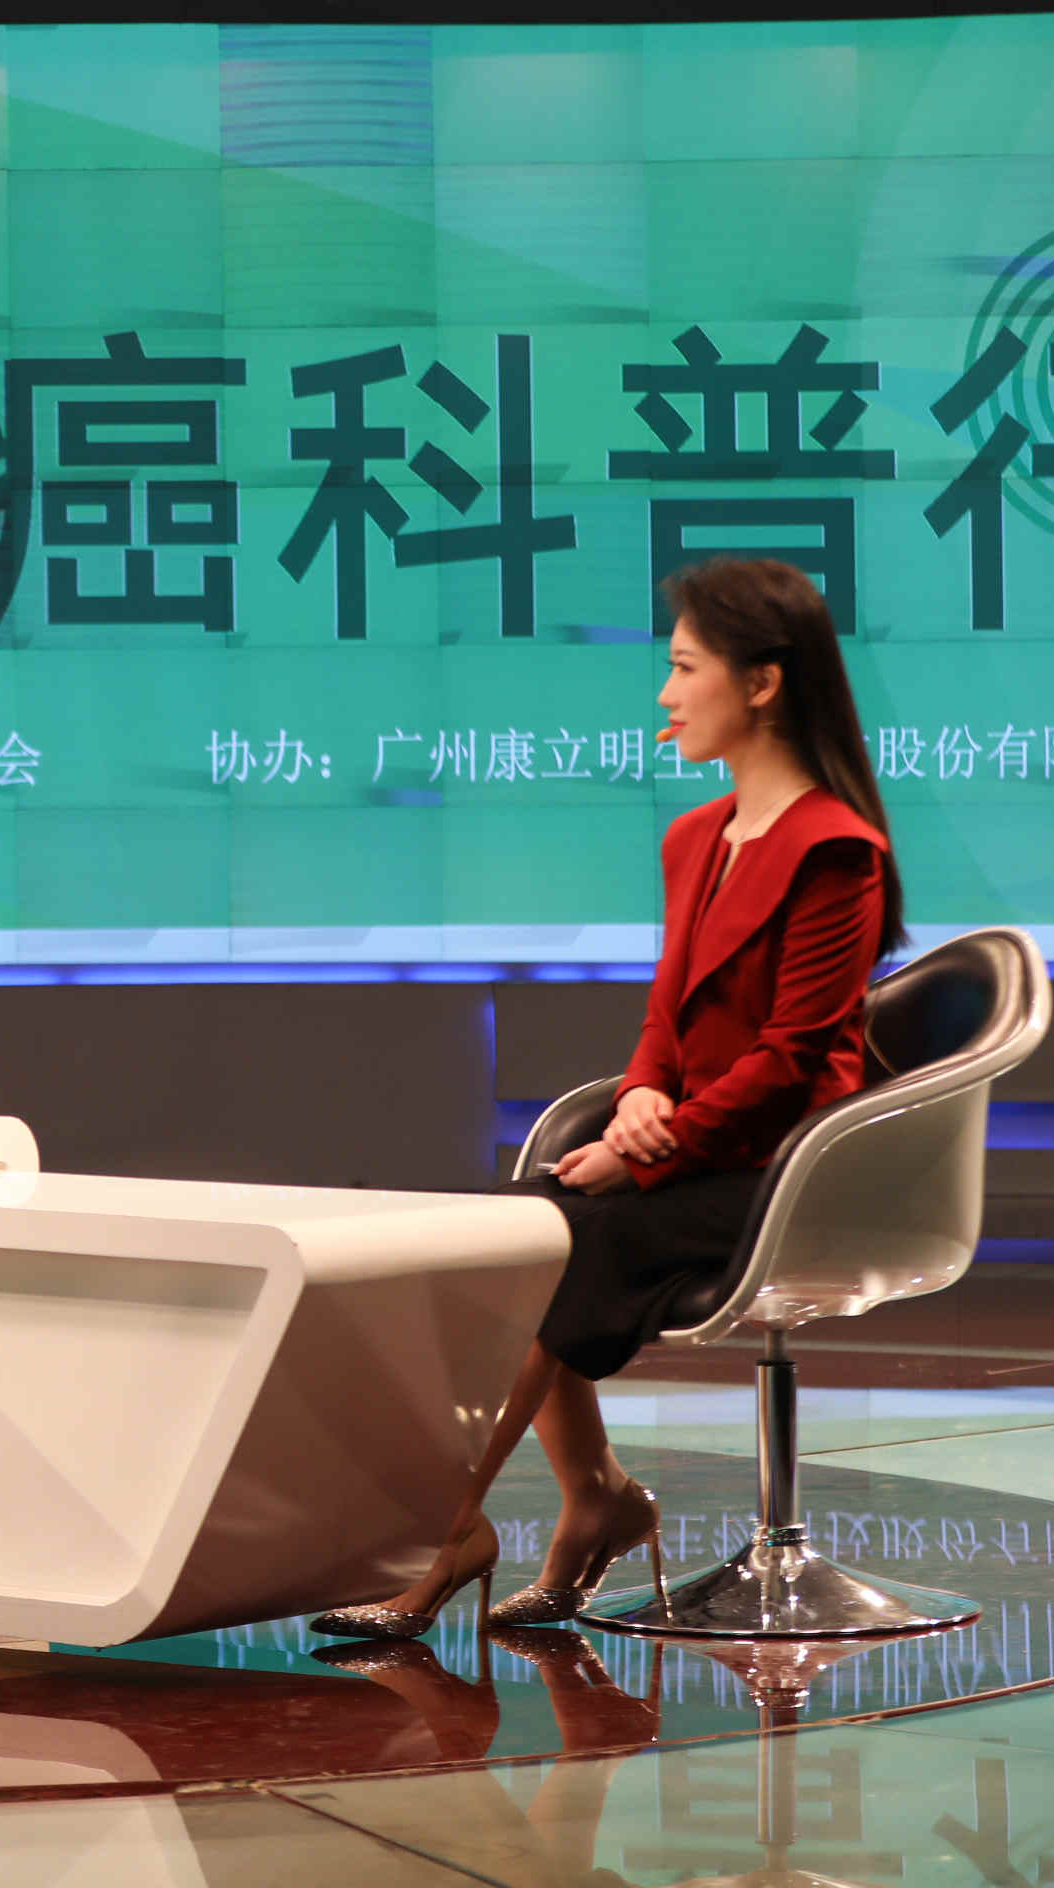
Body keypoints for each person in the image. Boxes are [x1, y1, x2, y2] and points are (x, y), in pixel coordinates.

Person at [311, 557, 903, 1640]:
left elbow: (790, 1058)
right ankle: (596, 1499)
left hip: (782, 1173)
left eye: (685, 668)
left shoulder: (836, 852)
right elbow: (668, 1015)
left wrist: (648, 1150)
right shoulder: (696, 838)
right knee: (515, 1229)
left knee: (574, 1234)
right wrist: (639, 1096)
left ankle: (451, 1531)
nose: (666, 694)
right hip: (696, 1150)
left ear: (763, 682)